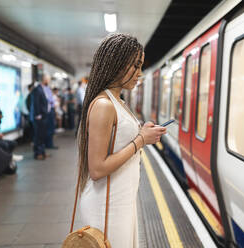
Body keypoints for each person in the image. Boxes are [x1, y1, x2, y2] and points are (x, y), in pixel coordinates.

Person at [78, 33, 166, 247]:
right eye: (135, 66)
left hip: (121, 199)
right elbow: (97, 169)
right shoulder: (103, 105)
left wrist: (141, 132)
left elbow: (118, 140)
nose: (140, 73)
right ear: (116, 64)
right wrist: (141, 140)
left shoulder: (116, 100)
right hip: (107, 206)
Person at [30, 77, 48, 160]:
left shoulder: (41, 89)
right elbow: (36, 102)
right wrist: (37, 114)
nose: (48, 80)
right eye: (47, 79)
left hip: (42, 116)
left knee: (42, 135)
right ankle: (38, 153)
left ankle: (42, 151)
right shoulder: (37, 89)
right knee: (38, 136)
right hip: (39, 117)